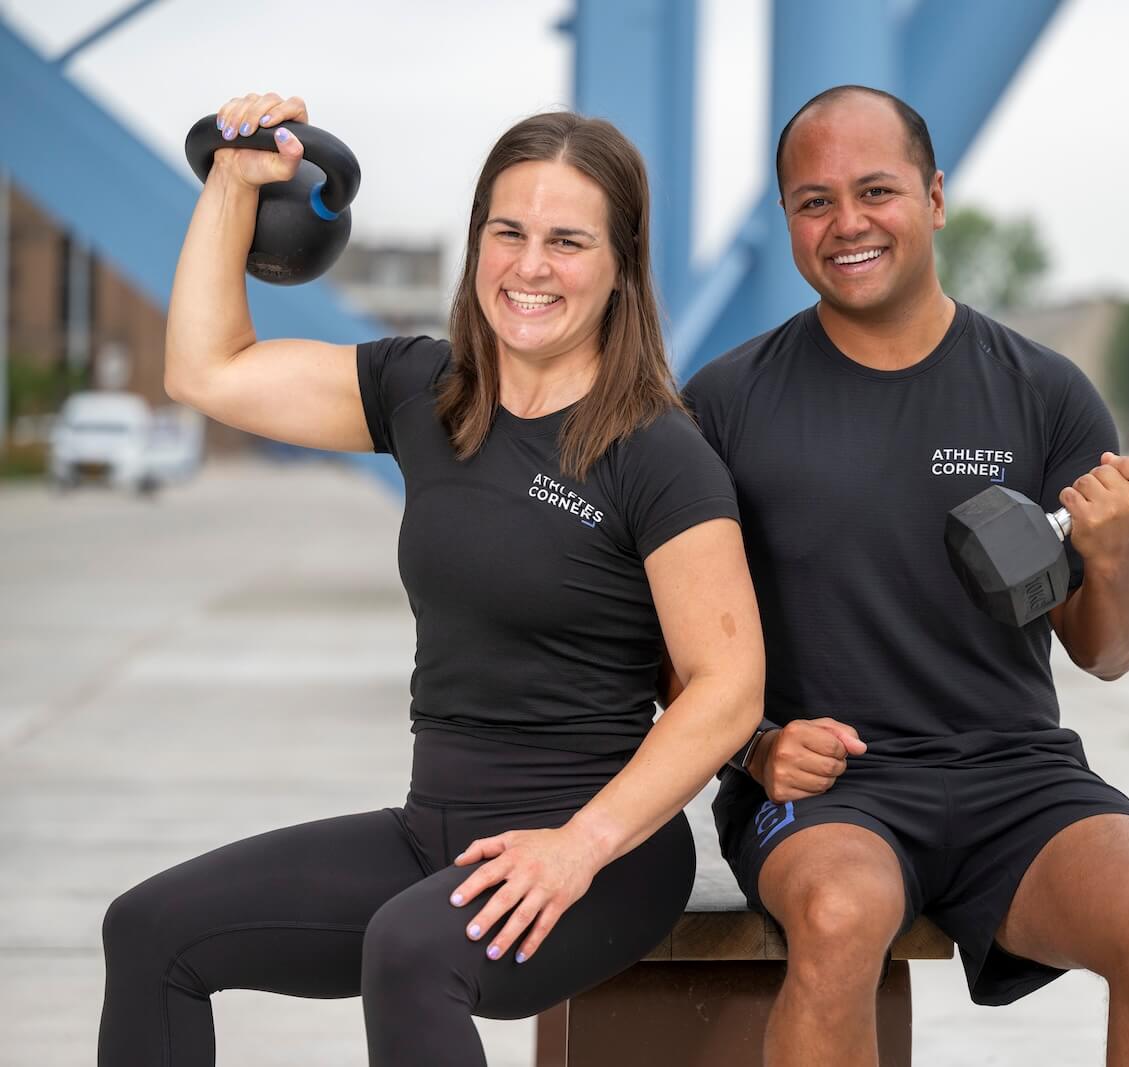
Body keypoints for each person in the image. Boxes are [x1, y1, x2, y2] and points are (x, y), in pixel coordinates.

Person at [98, 93, 764, 1067]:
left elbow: (727, 685)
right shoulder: (428, 392)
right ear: (476, 243)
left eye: (567, 241)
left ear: (620, 267)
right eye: (509, 231)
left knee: (412, 951)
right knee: (151, 928)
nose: (530, 265)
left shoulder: (658, 454)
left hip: (606, 851)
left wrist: (575, 845)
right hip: (434, 829)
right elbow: (208, 371)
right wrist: (235, 185)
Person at [682, 86, 1129, 1066]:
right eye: (813, 201)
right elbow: (667, 642)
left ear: (933, 196)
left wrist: (1105, 556)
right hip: (825, 786)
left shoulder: (1044, 390)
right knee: (842, 916)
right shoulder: (723, 405)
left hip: (1015, 775)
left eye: (875, 190)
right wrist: (756, 748)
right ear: (788, 221)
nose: (846, 222)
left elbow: (1104, 651)